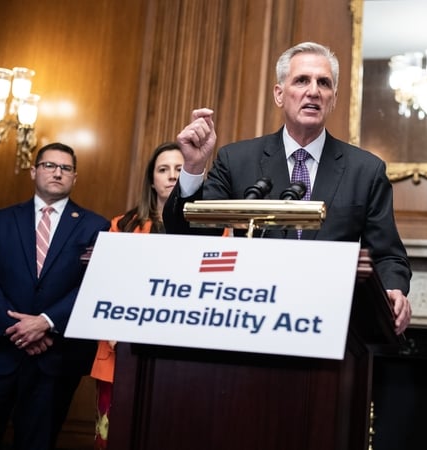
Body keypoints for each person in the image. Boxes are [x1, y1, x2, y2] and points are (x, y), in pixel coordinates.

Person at [163, 41, 412, 334]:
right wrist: (192, 168)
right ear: (279, 94)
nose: (314, 91)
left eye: (324, 83)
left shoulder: (366, 170)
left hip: (329, 322)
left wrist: (394, 289)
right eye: (302, 80)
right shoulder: (237, 160)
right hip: (252, 318)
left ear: (333, 98)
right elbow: (187, 237)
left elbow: (388, 255)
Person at [0, 142, 109, 450]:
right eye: (49, 165)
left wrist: (46, 322)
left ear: (74, 178)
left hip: (52, 361)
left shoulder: (95, 226)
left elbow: (94, 284)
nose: (57, 172)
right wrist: (19, 328)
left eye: (65, 168)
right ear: (34, 171)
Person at [89, 141, 186, 449]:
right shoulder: (124, 225)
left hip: (180, 353)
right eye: (163, 169)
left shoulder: (211, 228)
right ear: (151, 179)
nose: (172, 176)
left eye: (180, 169)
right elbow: (105, 284)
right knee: (112, 438)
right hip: (121, 348)